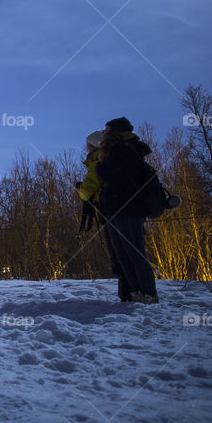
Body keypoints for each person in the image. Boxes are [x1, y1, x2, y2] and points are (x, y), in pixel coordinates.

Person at [96, 117, 158, 304]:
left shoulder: (124, 151)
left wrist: (101, 166)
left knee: (134, 253)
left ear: (115, 132)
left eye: (107, 130)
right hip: (115, 209)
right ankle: (137, 292)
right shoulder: (117, 151)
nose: (104, 133)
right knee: (123, 256)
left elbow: (110, 174)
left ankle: (148, 293)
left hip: (128, 208)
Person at [77, 130, 132, 302]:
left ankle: (128, 294)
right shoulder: (114, 160)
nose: (86, 147)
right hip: (118, 210)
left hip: (109, 210)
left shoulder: (98, 162)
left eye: (88, 144)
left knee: (120, 254)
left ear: (93, 145)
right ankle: (133, 292)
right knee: (126, 252)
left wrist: (81, 189)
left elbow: (87, 190)